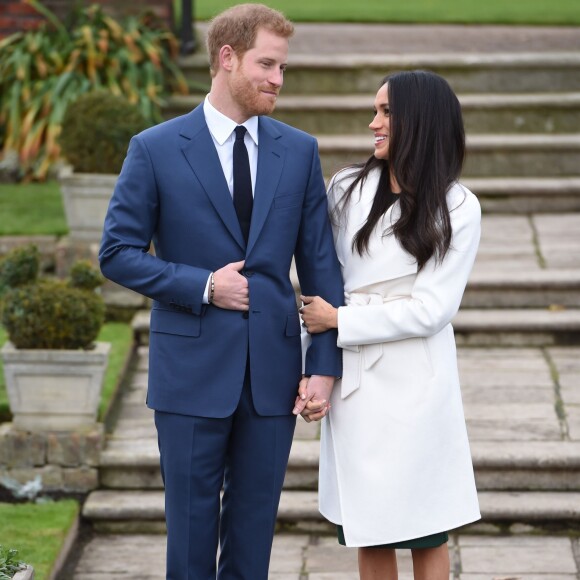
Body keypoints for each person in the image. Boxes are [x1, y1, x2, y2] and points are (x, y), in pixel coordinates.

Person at [98, 4, 343, 578]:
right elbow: (116, 254)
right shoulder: (155, 148)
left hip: (273, 375)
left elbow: (322, 269)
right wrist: (204, 286)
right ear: (227, 58)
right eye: (267, 65)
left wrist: (325, 365)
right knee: (188, 537)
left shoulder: (299, 150)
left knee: (254, 535)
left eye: (283, 69)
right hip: (189, 373)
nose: (277, 80)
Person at [298, 70, 482, 580]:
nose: (372, 122)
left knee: (427, 524)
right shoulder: (345, 188)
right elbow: (324, 280)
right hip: (356, 381)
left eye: (385, 113)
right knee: (369, 524)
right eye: (375, 111)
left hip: (417, 383)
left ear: (419, 122)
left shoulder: (458, 206)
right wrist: (313, 369)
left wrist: (342, 319)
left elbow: (432, 309)